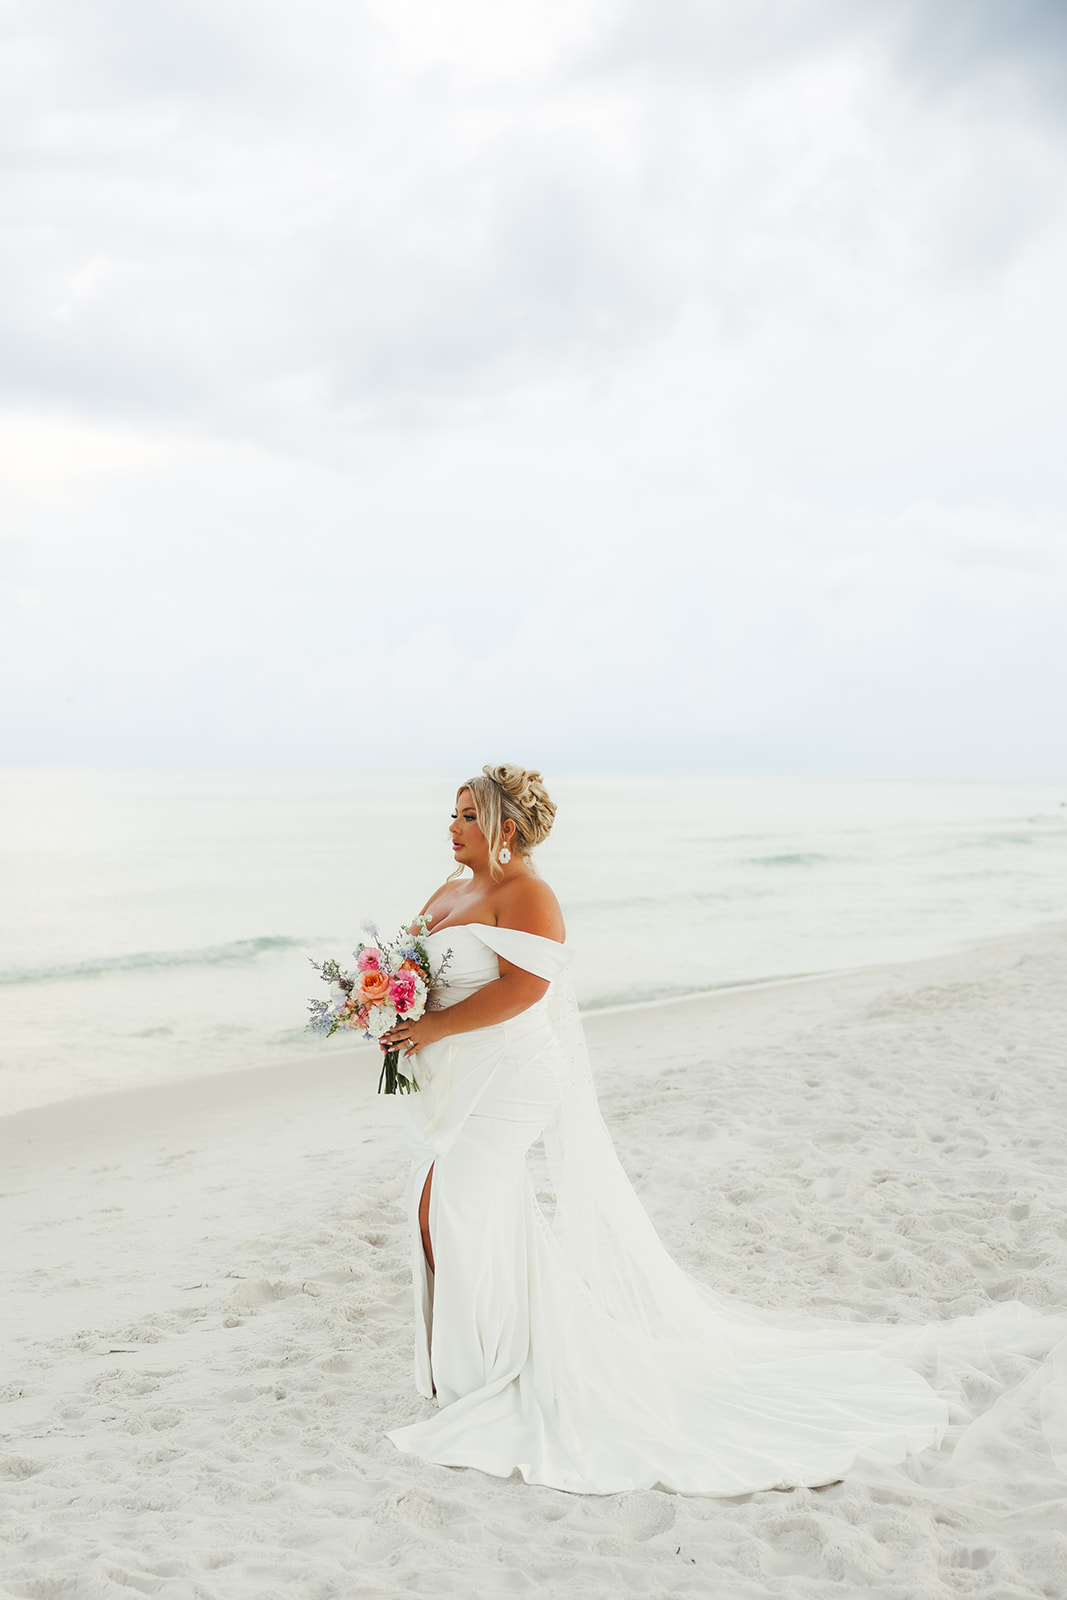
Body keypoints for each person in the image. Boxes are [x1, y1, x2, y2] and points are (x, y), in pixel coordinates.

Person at [379, 765, 1066, 1498]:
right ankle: (479, 1361)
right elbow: (412, 960)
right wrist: (384, 999)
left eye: (461, 816)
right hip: (461, 1074)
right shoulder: (449, 888)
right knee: (445, 1209)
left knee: (451, 1207)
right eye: (451, 815)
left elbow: (525, 990)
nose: (448, 827)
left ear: (502, 827)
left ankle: (485, 1372)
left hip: (512, 1078)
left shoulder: (528, 895)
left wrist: (430, 1023)